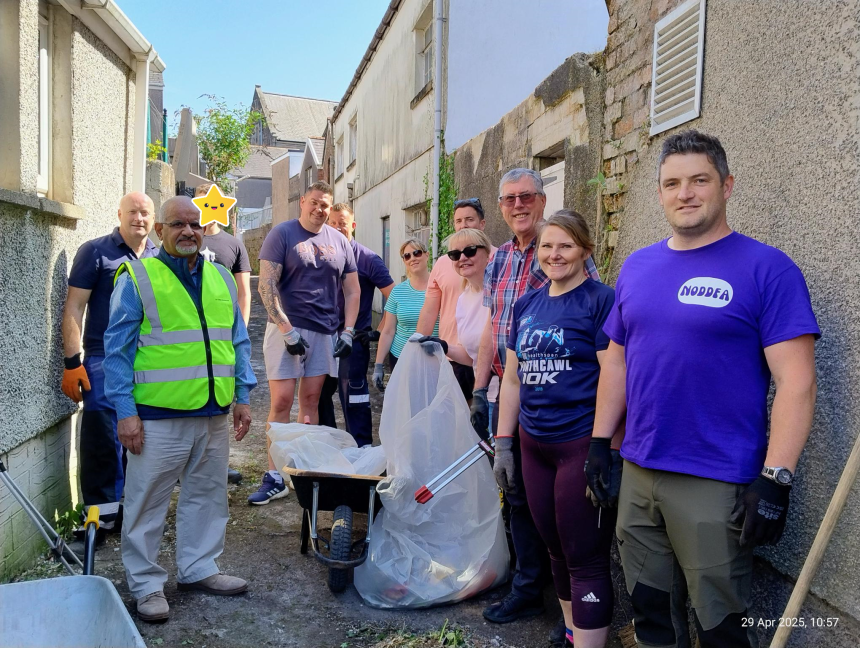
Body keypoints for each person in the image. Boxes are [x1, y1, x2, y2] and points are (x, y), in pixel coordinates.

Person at [588, 130, 819, 648]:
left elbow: (796, 380)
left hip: (716, 480)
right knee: (648, 612)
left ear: (727, 186)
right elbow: (618, 361)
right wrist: (601, 443)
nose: (685, 193)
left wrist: (777, 479)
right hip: (640, 470)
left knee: (720, 625)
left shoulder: (768, 269)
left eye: (699, 180)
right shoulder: (638, 267)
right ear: (660, 192)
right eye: (672, 183)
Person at [103, 196, 257, 622]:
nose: (188, 231)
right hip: (156, 416)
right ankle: (147, 584)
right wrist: (125, 413)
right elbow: (116, 352)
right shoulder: (137, 277)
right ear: (160, 232)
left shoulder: (222, 278)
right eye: (177, 225)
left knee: (208, 495)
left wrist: (242, 395)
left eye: (195, 224)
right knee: (146, 502)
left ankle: (199, 567)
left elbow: (237, 341)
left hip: (213, 412)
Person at [495, 211, 616, 648]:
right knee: (555, 550)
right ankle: (571, 634)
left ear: (585, 249)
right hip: (533, 445)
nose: (554, 254)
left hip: (579, 442)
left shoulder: (602, 300)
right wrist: (504, 443)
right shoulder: (526, 304)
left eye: (565, 245)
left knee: (584, 555)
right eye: (547, 246)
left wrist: (606, 446)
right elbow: (512, 378)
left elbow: (614, 375)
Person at [251, 182, 360, 504]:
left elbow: (352, 291)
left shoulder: (339, 241)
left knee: (311, 401)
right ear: (302, 202)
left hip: (326, 331)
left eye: (325, 205)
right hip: (287, 328)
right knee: (282, 401)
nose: (319, 209)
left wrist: (349, 331)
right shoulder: (282, 234)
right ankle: (274, 475)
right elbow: (266, 286)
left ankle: (302, 471)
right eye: (314, 203)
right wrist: (286, 329)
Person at [61, 192, 158, 540]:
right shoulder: (95, 252)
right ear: (119, 214)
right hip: (103, 358)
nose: (139, 219)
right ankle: (99, 523)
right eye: (132, 212)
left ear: (153, 218)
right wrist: (73, 363)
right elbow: (74, 308)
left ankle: (131, 516)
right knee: (103, 440)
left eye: (145, 213)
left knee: (142, 439)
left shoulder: (158, 258)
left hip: (148, 361)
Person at [317, 204, 394, 446]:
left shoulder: (368, 258)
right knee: (319, 395)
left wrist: (377, 331)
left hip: (354, 341)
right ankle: (331, 449)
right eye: (333, 222)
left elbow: (394, 296)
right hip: (324, 336)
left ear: (353, 225)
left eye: (343, 222)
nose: (338, 227)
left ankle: (362, 455)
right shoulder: (322, 256)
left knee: (354, 398)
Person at [194, 182, 252, 484]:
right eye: (204, 203)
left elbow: (244, 292)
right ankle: (186, 466)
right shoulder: (187, 240)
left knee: (221, 398)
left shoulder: (234, 244)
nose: (210, 209)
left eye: (215, 204)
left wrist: (237, 329)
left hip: (222, 336)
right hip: (190, 337)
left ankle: (218, 464)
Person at [416, 198, 488, 401]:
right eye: (458, 221)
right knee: (456, 419)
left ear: (482, 224)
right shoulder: (444, 263)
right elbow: (430, 309)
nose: (463, 225)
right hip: (455, 354)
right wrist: (419, 346)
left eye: (469, 219)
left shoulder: (500, 258)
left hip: (490, 362)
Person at [446, 227, 499, 420]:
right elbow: (472, 357)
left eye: (470, 251)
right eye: (455, 254)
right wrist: (444, 346)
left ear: (487, 253)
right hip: (483, 396)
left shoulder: (500, 292)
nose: (462, 258)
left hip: (507, 396)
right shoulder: (463, 298)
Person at [372, 238, 437, 387]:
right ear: (404, 261)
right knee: (405, 406)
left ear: (426, 255)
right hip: (401, 358)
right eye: (407, 256)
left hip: (434, 358)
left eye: (416, 253)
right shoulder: (398, 292)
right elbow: (388, 331)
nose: (412, 258)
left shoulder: (440, 287)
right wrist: (378, 365)